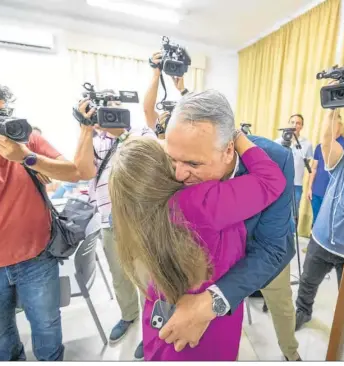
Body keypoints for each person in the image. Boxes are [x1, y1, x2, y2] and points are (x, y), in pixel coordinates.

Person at [109, 128, 286, 360]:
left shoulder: (138, 216)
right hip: (203, 332)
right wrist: (237, 136)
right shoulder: (199, 203)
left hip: (161, 324)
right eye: (172, 157)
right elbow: (271, 180)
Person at [157, 90, 301, 361]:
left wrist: (212, 301)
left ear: (228, 150)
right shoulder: (176, 156)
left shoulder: (276, 160)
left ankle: (291, 352)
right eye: (173, 159)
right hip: (204, 261)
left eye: (193, 163)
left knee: (281, 306)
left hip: (261, 256)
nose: (178, 174)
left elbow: (272, 248)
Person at [0, 75, 83, 361]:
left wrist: (26, 156)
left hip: (36, 257)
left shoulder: (23, 136)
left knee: (47, 327)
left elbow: (73, 172)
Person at [73, 92, 156, 360]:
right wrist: (85, 128)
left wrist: (120, 134)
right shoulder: (94, 140)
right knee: (120, 275)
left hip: (142, 219)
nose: (112, 115)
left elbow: (153, 160)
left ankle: (149, 327)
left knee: (146, 278)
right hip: (110, 219)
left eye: (117, 109)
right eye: (105, 111)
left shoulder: (142, 132)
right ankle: (129, 315)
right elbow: (82, 170)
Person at [295, 83, 344, 331]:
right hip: (319, 241)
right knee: (307, 282)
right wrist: (332, 108)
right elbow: (327, 141)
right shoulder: (342, 163)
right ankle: (303, 312)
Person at [306, 112, 344, 225]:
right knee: (316, 221)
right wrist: (309, 188)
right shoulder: (320, 146)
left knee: (328, 224)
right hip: (317, 191)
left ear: (340, 126)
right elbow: (314, 168)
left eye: (334, 122)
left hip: (334, 194)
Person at [276, 114, 313, 233]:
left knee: (293, 213)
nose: (294, 125)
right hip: (278, 184)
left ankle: (290, 238)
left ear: (301, 126)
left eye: (298, 123)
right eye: (292, 122)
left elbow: (307, 163)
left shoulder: (307, 144)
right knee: (276, 210)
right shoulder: (278, 142)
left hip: (296, 185)